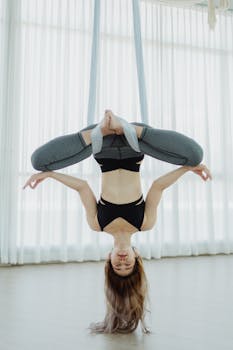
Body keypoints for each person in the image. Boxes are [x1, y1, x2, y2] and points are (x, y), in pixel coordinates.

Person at [23, 110, 212, 333]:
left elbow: (82, 187)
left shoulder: (97, 224)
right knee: (195, 154)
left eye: (117, 265)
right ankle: (131, 129)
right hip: (136, 144)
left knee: (39, 162)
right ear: (137, 257)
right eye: (128, 264)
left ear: (109, 259)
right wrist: (188, 168)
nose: (122, 261)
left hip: (102, 145)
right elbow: (158, 186)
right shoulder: (145, 222)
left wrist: (50, 175)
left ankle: (104, 127)